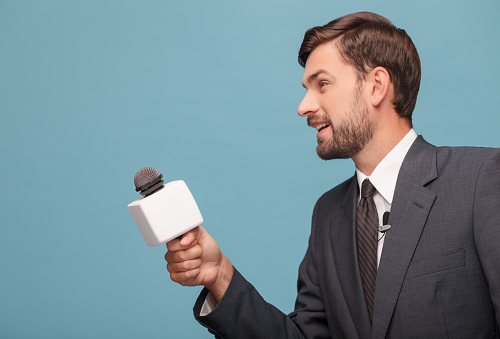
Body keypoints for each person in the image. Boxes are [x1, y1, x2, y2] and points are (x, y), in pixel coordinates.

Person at [164, 11, 500, 338]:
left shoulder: (481, 180)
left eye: (322, 84)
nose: (303, 106)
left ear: (376, 86)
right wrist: (219, 275)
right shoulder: (328, 214)